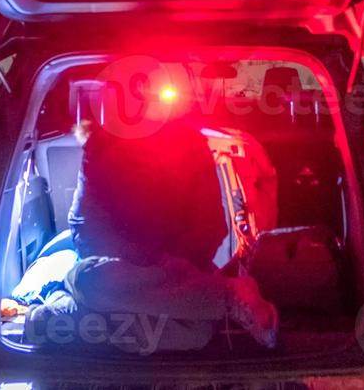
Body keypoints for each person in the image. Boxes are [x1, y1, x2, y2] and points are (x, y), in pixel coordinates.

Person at [29, 112, 278, 351]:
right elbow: (86, 227)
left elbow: (210, 228)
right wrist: (136, 263)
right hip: (122, 271)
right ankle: (226, 295)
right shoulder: (100, 147)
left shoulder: (190, 144)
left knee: (87, 288)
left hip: (180, 275)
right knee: (89, 279)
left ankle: (66, 317)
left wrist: (162, 267)